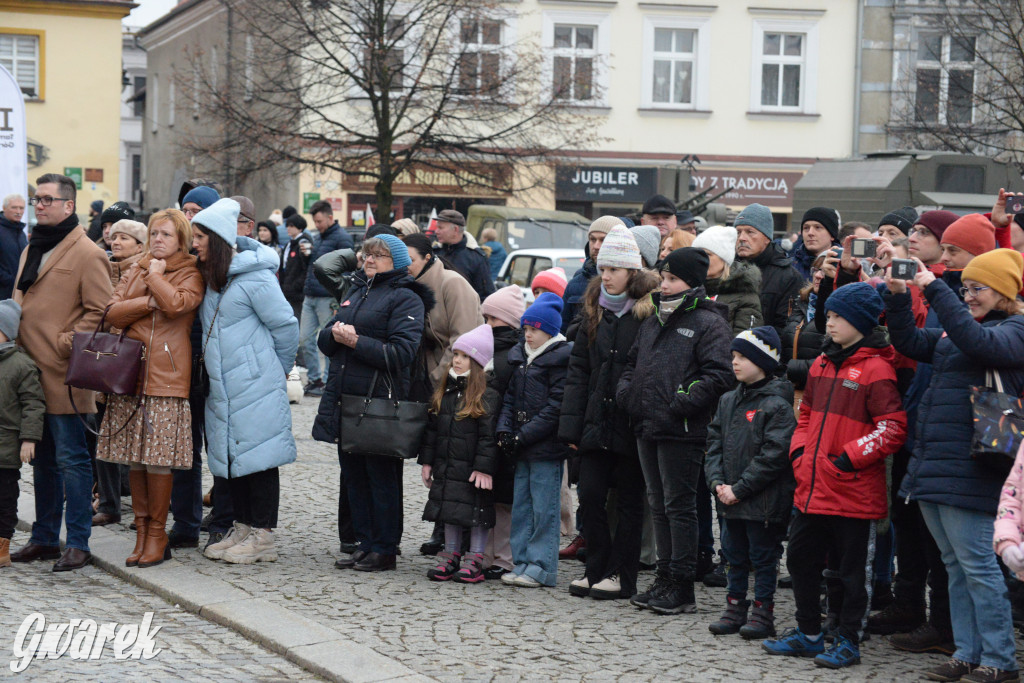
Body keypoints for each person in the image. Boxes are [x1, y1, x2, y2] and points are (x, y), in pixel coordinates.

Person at [885, 249, 1024, 682]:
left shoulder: (1015, 329)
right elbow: (910, 342)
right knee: (956, 566)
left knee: (979, 566)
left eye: (977, 289)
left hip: (977, 466)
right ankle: (966, 652)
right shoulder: (962, 328)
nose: (968, 297)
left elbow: (979, 343)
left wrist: (935, 288)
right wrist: (896, 296)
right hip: (937, 463)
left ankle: (1000, 660)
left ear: (1004, 292)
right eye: (965, 289)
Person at [764, 282, 907, 669]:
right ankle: (809, 633)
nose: (830, 323)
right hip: (813, 487)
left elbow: (892, 427)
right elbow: (806, 412)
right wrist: (799, 452)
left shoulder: (877, 368)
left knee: (849, 574)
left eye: (838, 316)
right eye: (828, 315)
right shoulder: (822, 363)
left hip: (852, 492)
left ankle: (848, 639)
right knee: (800, 561)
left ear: (860, 321)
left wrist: (848, 458)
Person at [616, 247, 733, 615]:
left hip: (682, 428)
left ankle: (681, 584)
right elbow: (632, 363)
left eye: (671, 279)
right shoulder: (653, 320)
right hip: (646, 423)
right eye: (663, 278)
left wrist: (683, 401)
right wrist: (628, 395)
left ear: (691, 283)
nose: (663, 285)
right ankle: (664, 577)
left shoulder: (709, 322)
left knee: (679, 506)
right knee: (658, 504)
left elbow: (720, 374)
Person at [10, 173, 113, 572]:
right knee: (42, 462)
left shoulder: (88, 253)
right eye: (37, 198)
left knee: (72, 460)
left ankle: (79, 542)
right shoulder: (32, 246)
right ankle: (44, 538)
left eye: (48, 199)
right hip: (29, 373)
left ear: (69, 206)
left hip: (64, 373)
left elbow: (100, 311)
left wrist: (65, 341)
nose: (40, 205)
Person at [191, 198, 299, 565]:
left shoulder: (256, 278)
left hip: (255, 382)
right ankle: (241, 525)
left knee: (261, 459)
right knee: (232, 457)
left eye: (200, 236)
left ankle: (263, 536)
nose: (195, 242)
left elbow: (286, 326)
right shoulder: (213, 278)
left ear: (218, 238)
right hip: (223, 384)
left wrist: (274, 370)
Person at [313, 234, 429, 572]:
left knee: (381, 479)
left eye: (379, 256)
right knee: (354, 477)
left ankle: (384, 548)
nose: (369, 260)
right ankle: (363, 544)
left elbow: (402, 353)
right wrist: (333, 335)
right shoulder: (356, 289)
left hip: (378, 402)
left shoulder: (406, 298)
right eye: (367, 254)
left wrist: (356, 341)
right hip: (345, 399)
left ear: (396, 262)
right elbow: (327, 337)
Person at [95, 209, 204, 568]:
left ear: (181, 241)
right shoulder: (136, 266)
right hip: (128, 374)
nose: (158, 240)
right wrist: (147, 300)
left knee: (158, 461)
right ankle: (142, 532)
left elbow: (177, 305)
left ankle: (158, 533)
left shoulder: (189, 271)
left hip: (166, 376)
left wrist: (157, 278)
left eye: (166, 235)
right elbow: (111, 312)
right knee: (134, 459)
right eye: (155, 233)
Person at [559, 226, 658, 601]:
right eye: (604, 268)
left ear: (632, 271)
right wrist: (571, 425)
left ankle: (622, 574)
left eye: (615, 268)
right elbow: (578, 372)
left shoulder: (649, 313)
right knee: (591, 495)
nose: (608, 275)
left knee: (631, 504)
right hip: (595, 423)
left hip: (632, 424)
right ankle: (595, 567)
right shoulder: (593, 310)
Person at [705, 327, 796, 639]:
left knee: (764, 556)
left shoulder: (777, 405)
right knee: (733, 554)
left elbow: (774, 456)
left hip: (761, 502)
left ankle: (763, 610)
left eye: (742, 356)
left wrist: (739, 489)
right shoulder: (728, 400)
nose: (735, 362)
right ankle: (735, 605)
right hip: (729, 498)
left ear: (763, 361)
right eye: (733, 356)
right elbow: (714, 443)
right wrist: (717, 481)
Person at [497, 292, 572, 588]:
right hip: (522, 445)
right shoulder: (522, 359)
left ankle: (542, 567)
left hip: (546, 448)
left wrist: (522, 435)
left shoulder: (558, 359)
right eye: (525, 329)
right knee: (523, 507)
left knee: (544, 509)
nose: (528, 335)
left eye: (534, 330)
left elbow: (555, 408)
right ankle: (523, 562)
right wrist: (504, 430)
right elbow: (510, 399)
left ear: (550, 331)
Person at [420, 324, 500, 583]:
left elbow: (489, 437)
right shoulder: (446, 391)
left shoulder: (486, 394)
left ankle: (475, 557)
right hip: (447, 465)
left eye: (465, 356)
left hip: (472, 469)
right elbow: (432, 432)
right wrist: (427, 462)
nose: (457, 359)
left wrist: (484, 468)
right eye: (456, 354)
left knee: (476, 512)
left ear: (477, 362)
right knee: (450, 511)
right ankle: (451, 553)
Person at [90, 217, 148, 527]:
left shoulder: (145, 271)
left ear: (140, 244)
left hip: (132, 360)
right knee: (104, 434)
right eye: (114, 237)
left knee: (137, 438)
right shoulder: (104, 268)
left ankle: (142, 509)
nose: (116, 241)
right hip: (106, 360)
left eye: (124, 238)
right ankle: (109, 503)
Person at [479, 286, 525, 579]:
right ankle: (484, 554)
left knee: (505, 502)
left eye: (492, 319)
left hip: (504, 435)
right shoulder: (485, 347)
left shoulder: (512, 355)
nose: (487, 325)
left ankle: (504, 557)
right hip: (486, 434)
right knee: (489, 499)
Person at [402, 232, 483, 390]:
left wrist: (436, 379)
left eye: (410, 261)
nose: (405, 266)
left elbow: (463, 339)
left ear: (427, 258)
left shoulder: (452, 283)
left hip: (457, 378)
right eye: (401, 261)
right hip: (430, 375)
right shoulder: (410, 286)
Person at [0, 300, 45, 568]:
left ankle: (3, 544)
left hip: (5, 446)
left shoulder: (21, 364)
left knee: (5, 498)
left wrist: (29, 438)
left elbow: (33, 404)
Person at [301, 199, 354, 397]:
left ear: (330, 217)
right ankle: (315, 380)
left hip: (328, 298)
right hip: (310, 296)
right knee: (305, 340)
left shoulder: (343, 238)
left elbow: (347, 273)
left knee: (330, 342)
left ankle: (329, 381)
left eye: (320, 221)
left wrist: (337, 300)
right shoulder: (319, 237)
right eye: (315, 221)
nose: (317, 225)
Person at [733, 203, 803, 337]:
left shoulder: (788, 277)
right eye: (738, 232)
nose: (741, 238)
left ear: (767, 238)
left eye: (750, 232)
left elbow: (785, 329)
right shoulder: (726, 269)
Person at [693, 225, 763, 335]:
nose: (700, 259)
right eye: (696, 254)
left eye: (707, 254)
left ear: (724, 259)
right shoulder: (688, 288)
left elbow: (743, 344)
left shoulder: (745, 295)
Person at [561, 215, 621, 336]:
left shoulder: (630, 282)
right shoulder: (575, 284)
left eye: (603, 240)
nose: (596, 246)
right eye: (593, 240)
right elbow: (561, 330)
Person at [433, 209, 495, 300]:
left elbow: (485, 295)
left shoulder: (476, 257)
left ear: (455, 229)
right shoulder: (434, 253)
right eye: (437, 227)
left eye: (441, 228)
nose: (436, 231)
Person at [279, 214, 313, 330]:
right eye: (287, 225)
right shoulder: (290, 244)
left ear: (299, 228)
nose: (288, 228)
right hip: (287, 290)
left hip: (297, 292)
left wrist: (297, 285)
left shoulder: (303, 243)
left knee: (297, 322)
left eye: (291, 226)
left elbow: (306, 266)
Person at [791, 207, 841, 280]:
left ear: (832, 235)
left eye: (818, 227)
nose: (810, 233)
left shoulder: (844, 266)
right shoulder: (789, 267)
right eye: (806, 228)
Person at [909, 210, 959, 276]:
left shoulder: (956, 282)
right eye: (913, 231)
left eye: (923, 232)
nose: (911, 238)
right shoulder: (903, 273)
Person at [0, 194, 27, 300]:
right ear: (4, 208)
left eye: (21, 208)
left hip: (19, 293)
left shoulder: (21, 233)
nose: (18, 211)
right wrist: (9, 280)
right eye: (14, 207)